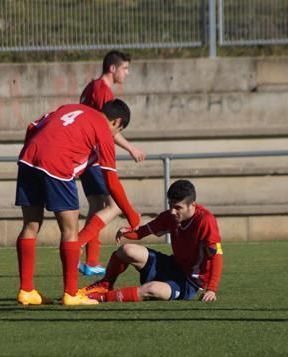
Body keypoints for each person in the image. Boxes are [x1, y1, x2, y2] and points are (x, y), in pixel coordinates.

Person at [15, 99, 141, 306]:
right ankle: (71, 294)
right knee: (70, 231)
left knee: (30, 225)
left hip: (28, 159)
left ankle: (26, 290)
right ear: (117, 121)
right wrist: (132, 216)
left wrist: (35, 152)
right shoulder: (103, 131)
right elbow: (111, 181)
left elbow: (33, 126)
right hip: (57, 164)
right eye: (118, 130)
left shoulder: (71, 107)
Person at [81, 180, 223, 303]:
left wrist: (211, 289)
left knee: (152, 289)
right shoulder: (170, 216)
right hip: (171, 265)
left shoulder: (205, 220)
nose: (173, 211)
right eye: (170, 205)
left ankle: (98, 298)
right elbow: (142, 232)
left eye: (178, 207)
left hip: (188, 282)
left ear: (192, 205)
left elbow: (215, 255)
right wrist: (127, 232)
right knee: (126, 250)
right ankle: (105, 284)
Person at [77, 50, 147, 276]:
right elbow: (107, 129)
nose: (128, 73)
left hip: (86, 156)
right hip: (93, 156)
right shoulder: (104, 92)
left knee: (97, 206)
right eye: (125, 68)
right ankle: (76, 245)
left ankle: (91, 261)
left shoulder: (91, 87)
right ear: (113, 68)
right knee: (113, 206)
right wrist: (132, 148)